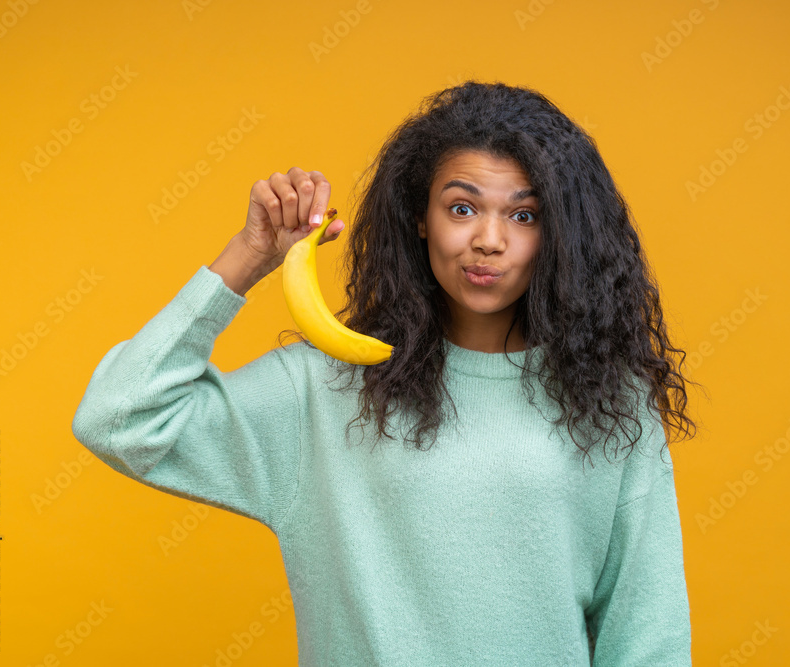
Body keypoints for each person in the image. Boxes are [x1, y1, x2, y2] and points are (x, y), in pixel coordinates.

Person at [72, 80, 700, 666]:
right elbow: (119, 419)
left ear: (560, 234)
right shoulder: (325, 389)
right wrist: (249, 256)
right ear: (419, 218)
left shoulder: (613, 403)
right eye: (461, 208)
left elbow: (648, 633)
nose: (488, 239)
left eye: (524, 215)